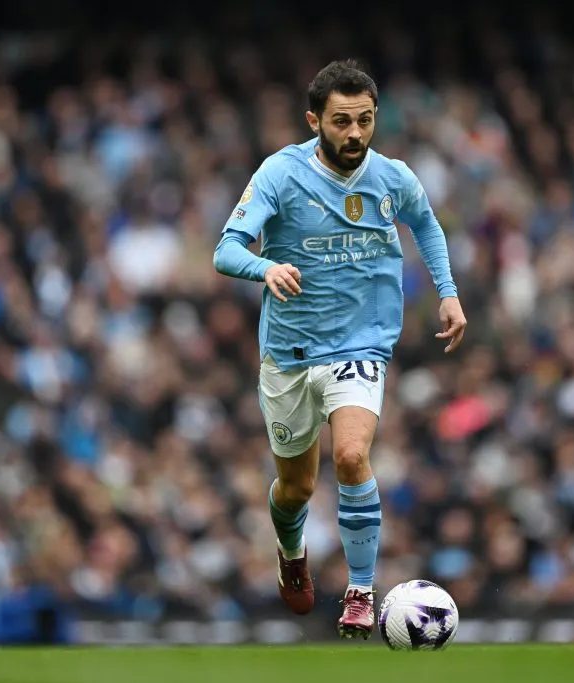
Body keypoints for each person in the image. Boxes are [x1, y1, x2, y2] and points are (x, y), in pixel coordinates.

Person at [212, 59, 467, 639]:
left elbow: (426, 224)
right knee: (297, 486)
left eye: (366, 120)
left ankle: (359, 589)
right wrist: (265, 266)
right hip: (290, 351)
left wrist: (448, 294)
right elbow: (225, 249)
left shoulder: (393, 178)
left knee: (351, 456)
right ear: (314, 121)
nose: (355, 134)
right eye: (342, 122)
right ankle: (291, 551)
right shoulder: (280, 173)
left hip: (362, 342)